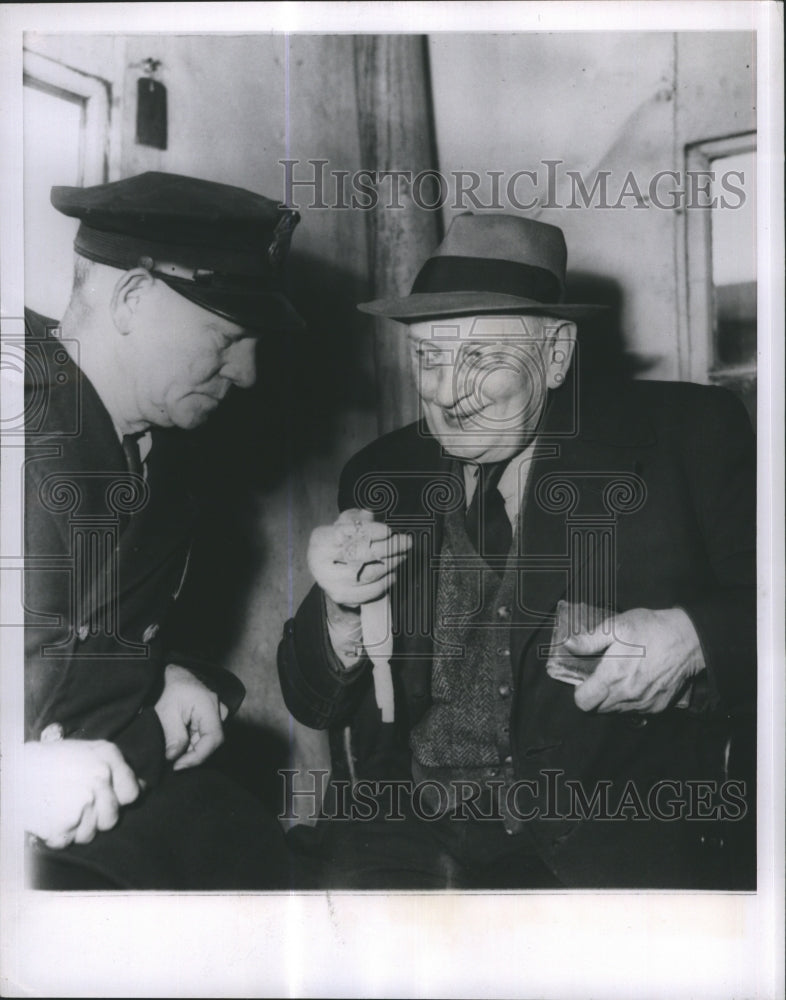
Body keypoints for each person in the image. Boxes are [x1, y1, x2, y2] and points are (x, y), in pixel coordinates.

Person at [278, 212, 756, 889]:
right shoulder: (382, 473)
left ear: (555, 354)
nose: (445, 394)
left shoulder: (689, 437)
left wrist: (694, 637)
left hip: (608, 836)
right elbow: (312, 703)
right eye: (427, 357)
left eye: (478, 359)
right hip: (410, 830)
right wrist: (341, 610)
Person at [23, 171, 308, 889]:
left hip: (114, 788)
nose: (246, 374)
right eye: (226, 337)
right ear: (132, 299)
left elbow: (80, 631)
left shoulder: (165, 459)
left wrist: (168, 671)